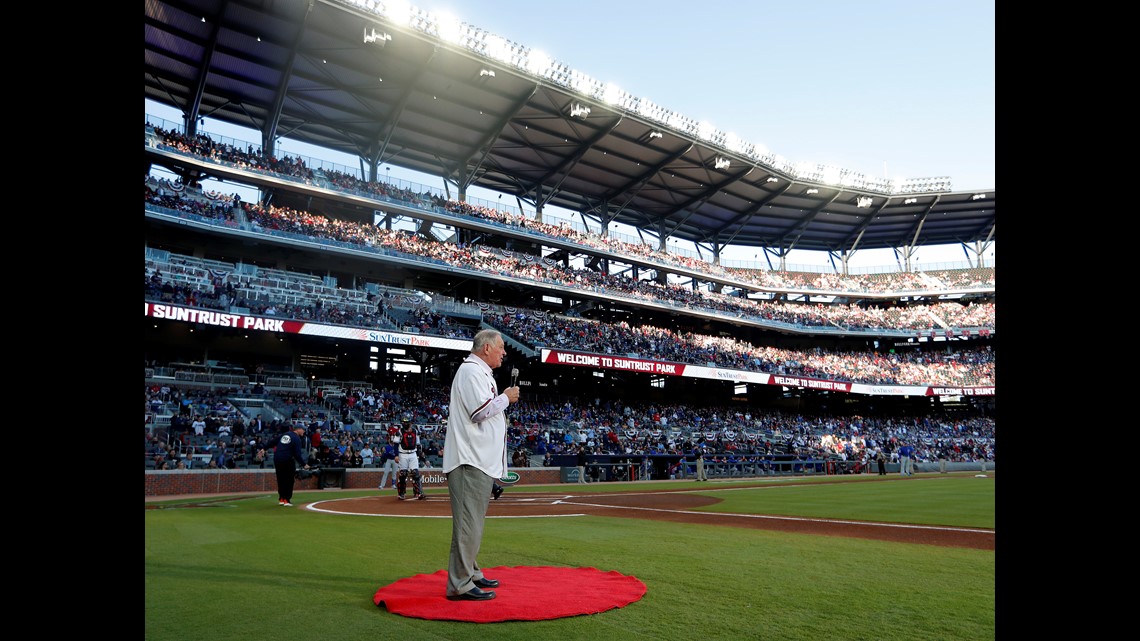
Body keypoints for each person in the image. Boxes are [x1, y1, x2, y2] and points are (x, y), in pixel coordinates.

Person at [442, 328, 519, 601]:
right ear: (486, 348)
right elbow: (479, 412)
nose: (504, 352)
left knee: (473, 524)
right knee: (468, 525)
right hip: (469, 460)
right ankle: (460, 584)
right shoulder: (472, 371)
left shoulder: (479, 372)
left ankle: (471, 573)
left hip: (477, 460)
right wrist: (505, 398)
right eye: (500, 347)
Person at [273, 425, 309, 507]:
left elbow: (273, 442)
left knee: (281, 479)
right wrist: (304, 464)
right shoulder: (296, 438)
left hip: (277, 459)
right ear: (298, 429)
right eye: (303, 430)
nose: (304, 431)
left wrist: (264, 448)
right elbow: (297, 454)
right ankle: (286, 499)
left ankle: (281, 498)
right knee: (289, 480)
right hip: (288, 460)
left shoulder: (285, 434)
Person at [396, 422, 425, 500]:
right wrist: (396, 455)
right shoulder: (399, 432)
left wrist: (418, 455)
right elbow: (396, 444)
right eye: (404, 422)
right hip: (403, 454)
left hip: (413, 453)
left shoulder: (415, 431)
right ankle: (401, 493)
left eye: (407, 422)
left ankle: (418, 492)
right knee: (403, 474)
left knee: (415, 473)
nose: (405, 424)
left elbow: (418, 444)